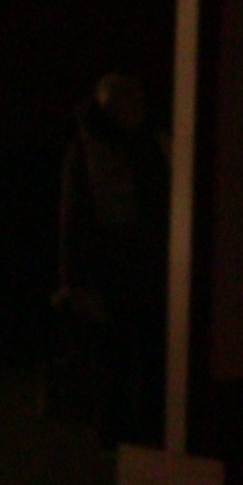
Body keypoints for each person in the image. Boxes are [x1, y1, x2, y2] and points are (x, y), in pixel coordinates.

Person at [54, 73, 170, 445]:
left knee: (148, 352)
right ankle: (115, 428)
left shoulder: (151, 143)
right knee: (114, 354)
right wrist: (74, 280)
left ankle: (144, 427)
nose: (134, 108)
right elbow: (73, 219)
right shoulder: (90, 151)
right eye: (125, 102)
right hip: (112, 271)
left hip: (149, 266)